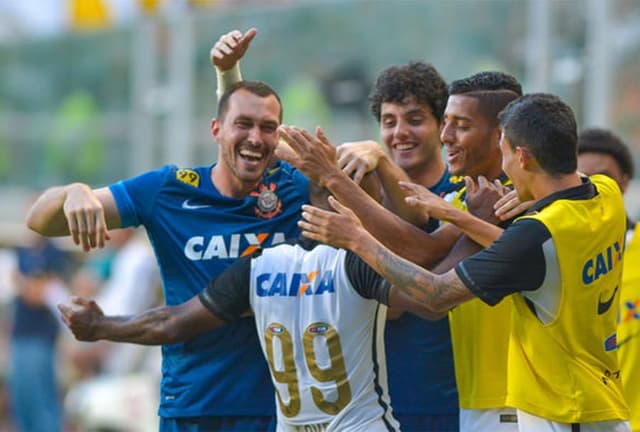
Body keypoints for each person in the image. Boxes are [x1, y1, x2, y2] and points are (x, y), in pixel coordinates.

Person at [294, 93, 631, 431]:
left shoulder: (535, 236)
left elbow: (436, 295)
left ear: (524, 157)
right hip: (600, 399)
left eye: (506, 153)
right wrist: (458, 216)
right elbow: (526, 251)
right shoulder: (605, 194)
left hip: (565, 412)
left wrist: (357, 238)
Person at [25, 80, 310, 431]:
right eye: (243, 124)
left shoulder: (295, 191)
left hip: (281, 411)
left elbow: (357, 192)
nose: (255, 137)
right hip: (191, 408)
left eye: (268, 128)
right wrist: (74, 191)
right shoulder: (169, 190)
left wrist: (367, 153)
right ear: (216, 130)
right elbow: (40, 220)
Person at [211, 30, 458, 430]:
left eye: (415, 120)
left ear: (441, 126)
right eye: (389, 123)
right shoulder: (354, 176)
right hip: (368, 403)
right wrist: (228, 73)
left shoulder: (455, 195)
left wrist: (376, 162)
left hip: (442, 393)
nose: (400, 134)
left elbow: (423, 252)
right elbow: (264, 137)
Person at [58, 177, 440, 432]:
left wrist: (101, 327)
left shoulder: (261, 265)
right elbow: (431, 297)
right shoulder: (359, 264)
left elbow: (173, 322)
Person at [277, 71, 523, 431]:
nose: (446, 137)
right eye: (388, 122)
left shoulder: (514, 197)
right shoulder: (464, 198)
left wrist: (346, 204)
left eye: (417, 120)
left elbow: (428, 277)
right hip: (431, 400)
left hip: (504, 402)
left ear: (500, 135)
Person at [577, 128, 639, 431]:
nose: (595, 189)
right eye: (583, 180)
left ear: (624, 182)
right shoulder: (549, 251)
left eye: (605, 179)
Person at [9, 235, 70, 432]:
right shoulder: (23, 253)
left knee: (41, 401)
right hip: (19, 337)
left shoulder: (54, 254)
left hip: (40, 339)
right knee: (21, 401)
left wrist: (21, 283)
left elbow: (42, 294)